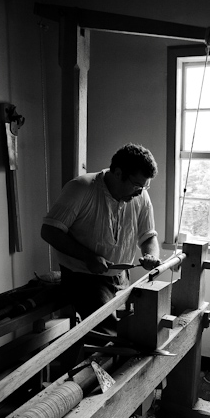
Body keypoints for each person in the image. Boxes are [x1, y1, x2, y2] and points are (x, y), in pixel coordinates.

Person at [41, 143, 161, 334]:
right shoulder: (81, 189)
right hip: (83, 279)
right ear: (119, 173)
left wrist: (151, 255)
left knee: (132, 327)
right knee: (111, 336)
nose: (141, 191)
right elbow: (49, 231)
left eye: (145, 186)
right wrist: (88, 257)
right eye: (137, 185)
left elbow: (148, 236)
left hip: (120, 277)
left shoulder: (140, 195)